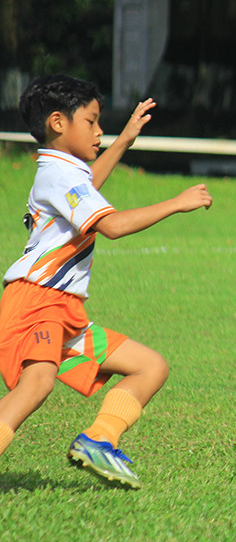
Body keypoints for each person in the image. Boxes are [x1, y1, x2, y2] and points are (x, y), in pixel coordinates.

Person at [0, 74, 213, 489]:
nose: (100, 131)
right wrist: (176, 202)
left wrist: (124, 141)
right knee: (36, 385)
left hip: (62, 309)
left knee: (149, 367)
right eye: (93, 122)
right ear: (59, 123)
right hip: (37, 302)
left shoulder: (63, 173)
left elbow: (90, 188)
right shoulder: (59, 176)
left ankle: (99, 439)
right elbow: (111, 225)